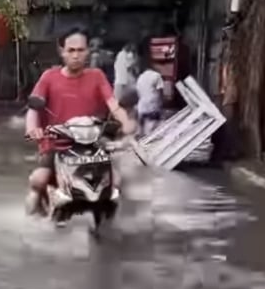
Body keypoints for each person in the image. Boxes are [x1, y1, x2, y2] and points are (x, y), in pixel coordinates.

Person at [24, 27, 136, 215]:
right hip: (56, 145)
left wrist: (126, 122)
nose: (76, 55)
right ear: (62, 52)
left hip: (92, 145)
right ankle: (33, 219)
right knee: (39, 179)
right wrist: (32, 129)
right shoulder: (49, 77)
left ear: (87, 51)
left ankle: (111, 224)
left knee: (116, 181)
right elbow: (34, 109)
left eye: (80, 50)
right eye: (71, 50)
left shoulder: (97, 76)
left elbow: (114, 106)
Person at [135, 58, 165, 136]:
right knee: (156, 128)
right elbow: (160, 91)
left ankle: (141, 136)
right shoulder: (157, 75)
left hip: (142, 107)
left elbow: (138, 93)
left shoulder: (140, 77)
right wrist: (162, 103)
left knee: (143, 128)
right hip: (153, 105)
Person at [113, 42, 138, 108]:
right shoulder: (124, 55)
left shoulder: (122, 55)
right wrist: (134, 61)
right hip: (123, 81)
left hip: (121, 80)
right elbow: (128, 65)